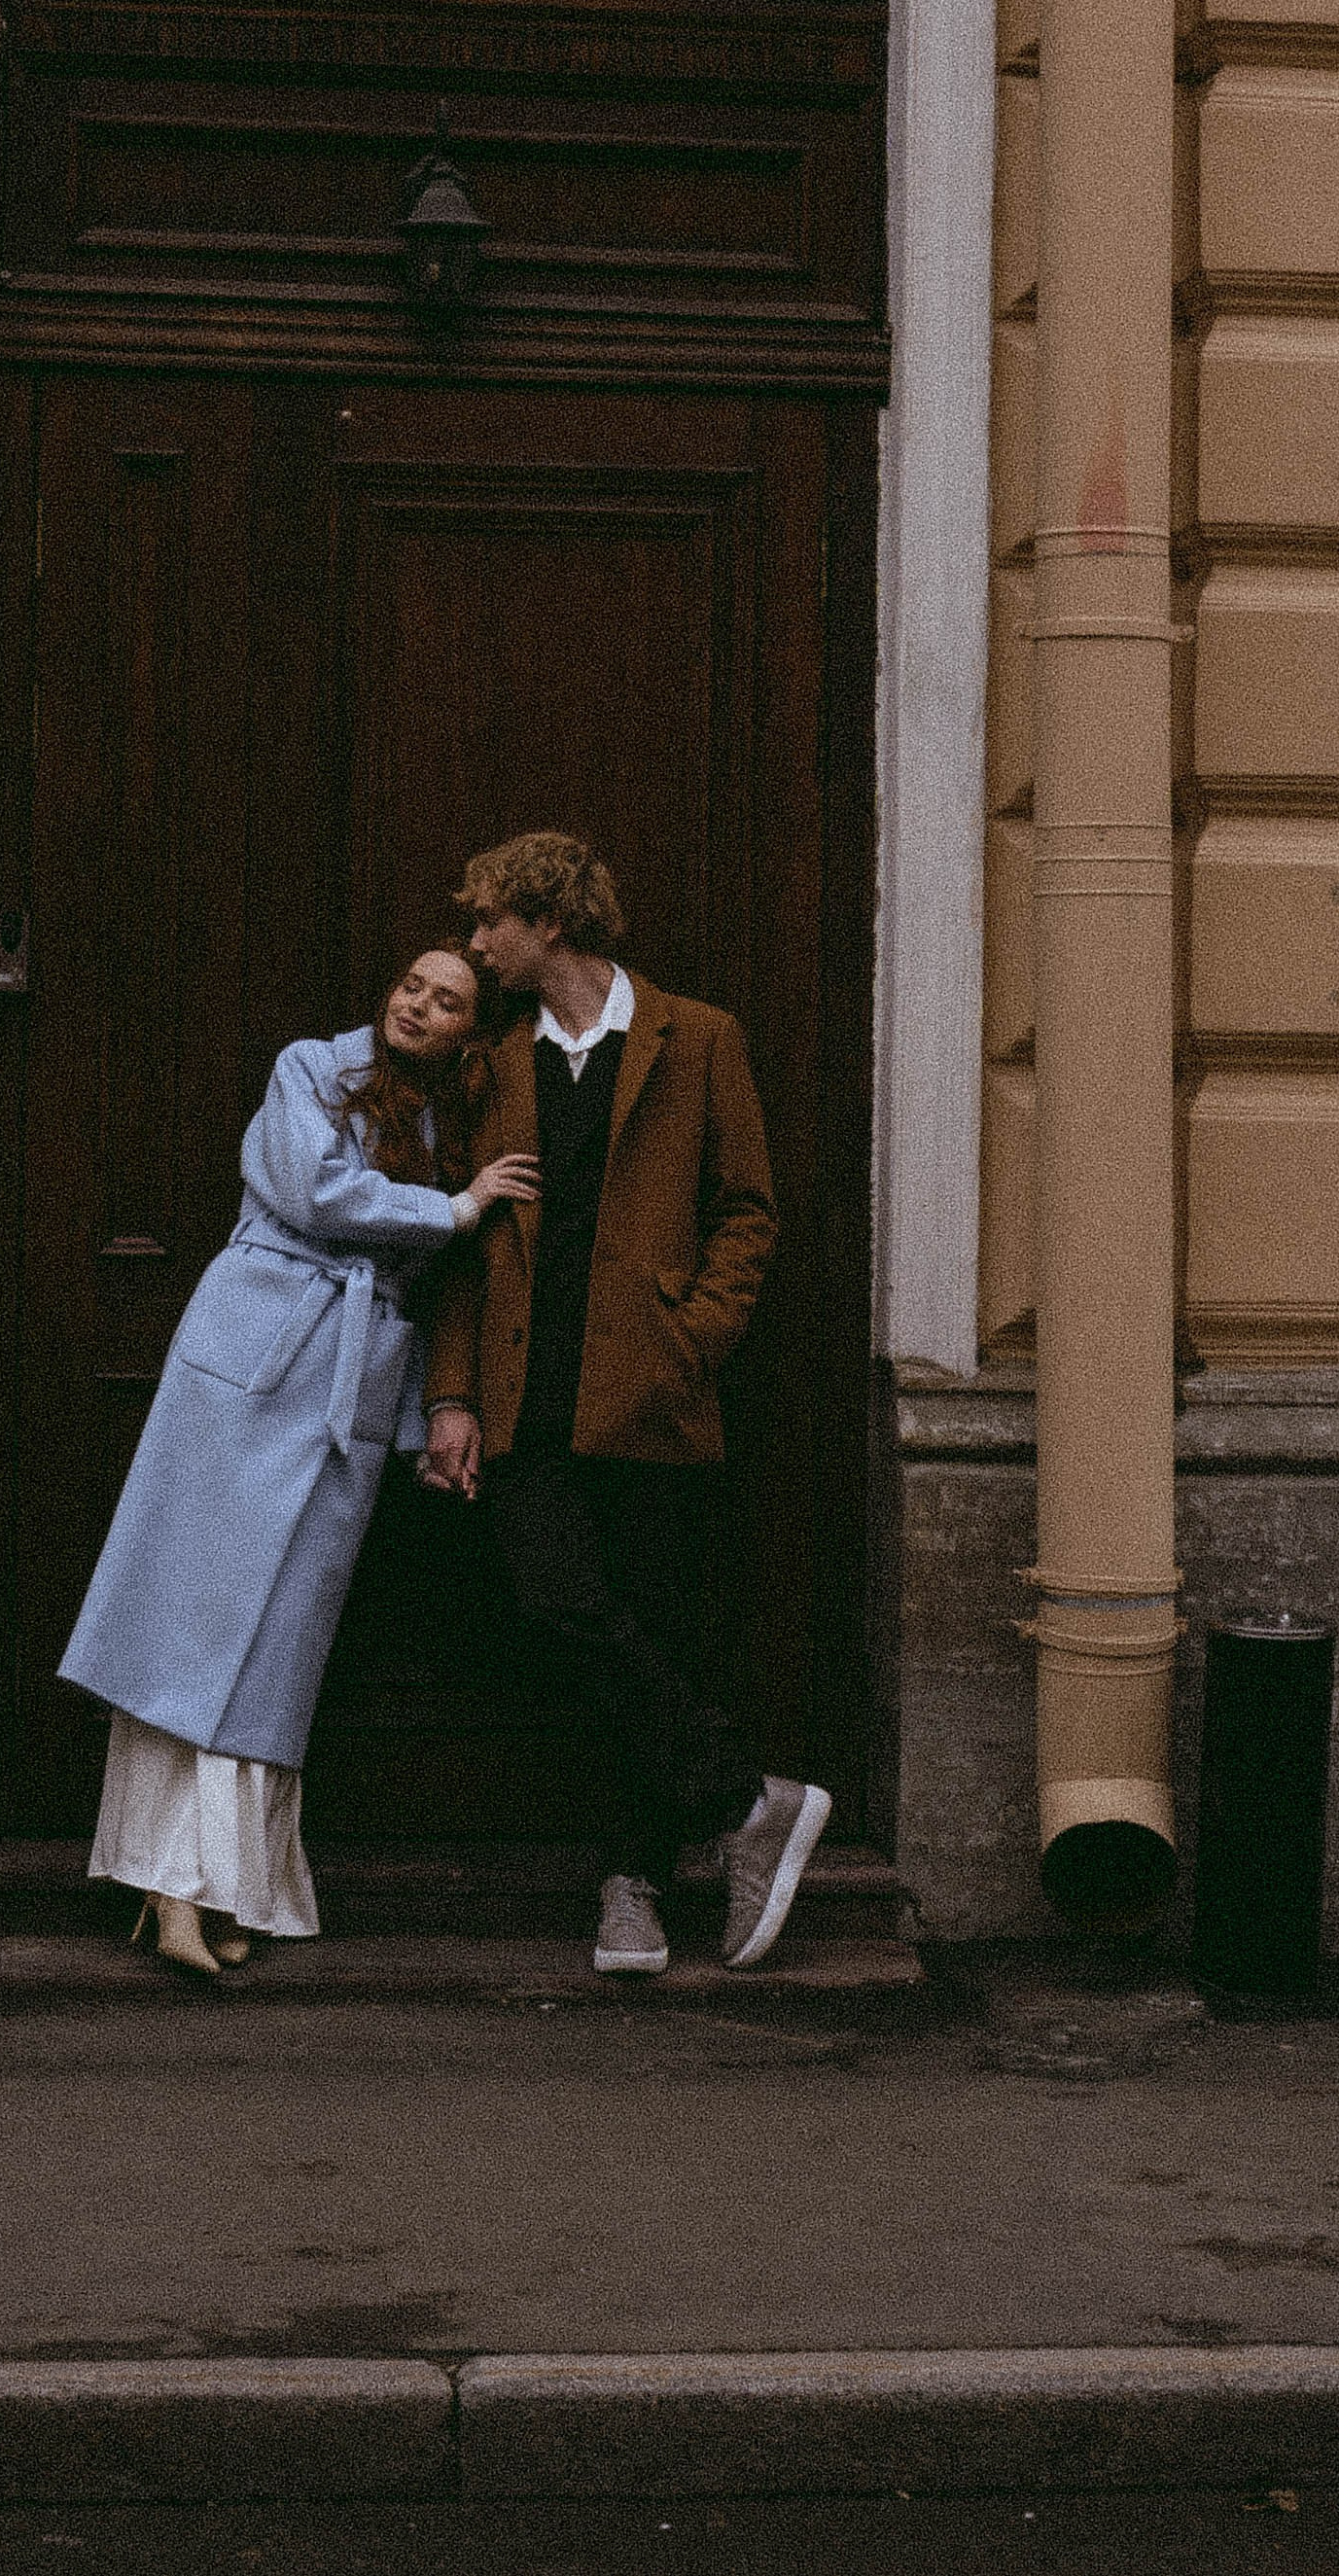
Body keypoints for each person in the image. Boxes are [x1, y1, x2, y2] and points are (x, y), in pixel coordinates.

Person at [59, 950, 538, 1977]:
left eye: (447, 1001)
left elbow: (418, 1294)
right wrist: (454, 1210)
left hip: (347, 1387)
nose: (418, 1004)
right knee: (196, 1619)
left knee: (279, 1642)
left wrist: (418, 1425)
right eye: (411, 985)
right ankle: (168, 1882)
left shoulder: (445, 1125)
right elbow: (314, 1190)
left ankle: (222, 1882)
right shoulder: (311, 1067)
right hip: (254, 1357)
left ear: (470, 1031)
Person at [419, 830, 830, 1977]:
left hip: (648, 1394)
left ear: (547, 922)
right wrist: (449, 1394)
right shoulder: (494, 1065)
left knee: (651, 1634)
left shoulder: (697, 1039)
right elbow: (461, 1251)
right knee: (566, 1614)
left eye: (489, 921)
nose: (474, 943)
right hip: (521, 1397)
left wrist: (688, 1339)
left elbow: (745, 1211)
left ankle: (631, 1887)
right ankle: (749, 1803)